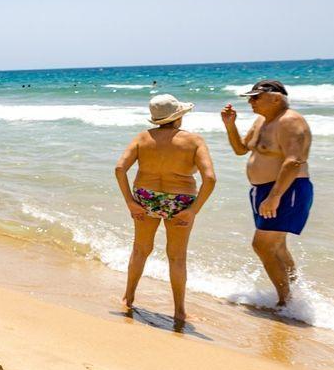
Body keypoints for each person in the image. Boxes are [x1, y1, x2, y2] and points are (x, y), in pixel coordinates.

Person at [114, 94, 216, 324]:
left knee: (141, 250)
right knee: (177, 257)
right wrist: (193, 211)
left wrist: (130, 201)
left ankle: (127, 298)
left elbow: (120, 168)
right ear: (178, 117)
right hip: (180, 201)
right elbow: (210, 178)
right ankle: (179, 311)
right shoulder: (194, 141)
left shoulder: (142, 138)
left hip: (145, 198)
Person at [221, 80, 313, 306]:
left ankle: (285, 303)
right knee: (277, 247)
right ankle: (294, 298)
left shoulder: (290, 121)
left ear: (275, 98)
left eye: (255, 97)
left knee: (262, 245)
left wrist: (274, 196)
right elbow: (241, 149)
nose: (250, 102)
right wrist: (230, 125)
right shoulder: (261, 120)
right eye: (249, 98)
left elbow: (294, 161)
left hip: (285, 189)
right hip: (263, 191)